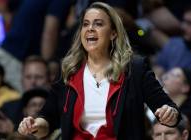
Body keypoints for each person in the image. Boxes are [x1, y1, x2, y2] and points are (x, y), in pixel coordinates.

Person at [18, 2, 180, 140]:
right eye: (86, 24)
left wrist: (169, 114)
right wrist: (34, 125)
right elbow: (48, 119)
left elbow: (169, 111)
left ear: (113, 33)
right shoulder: (69, 70)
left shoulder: (135, 69)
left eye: (98, 24)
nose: (90, 29)